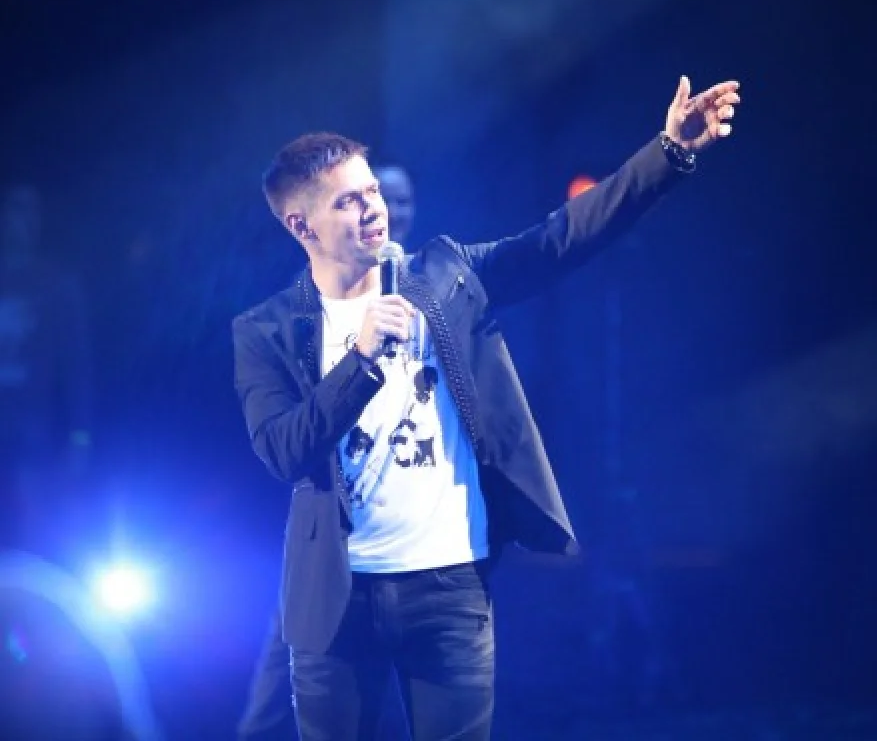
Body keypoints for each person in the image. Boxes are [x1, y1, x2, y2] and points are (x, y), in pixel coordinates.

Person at [230, 74, 740, 740]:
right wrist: (359, 359)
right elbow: (283, 450)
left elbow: (559, 239)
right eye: (348, 202)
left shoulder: (445, 275)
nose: (373, 209)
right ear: (301, 225)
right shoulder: (267, 330)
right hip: (336, 598)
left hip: (448, 586)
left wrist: (668, 152)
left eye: (372, 191)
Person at [236, 165, 419, 740]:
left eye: (395, 199)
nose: (385, 210)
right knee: (283, 680)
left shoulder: (430, 292)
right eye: (359, 198)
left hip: (411, 552)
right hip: (328, 537)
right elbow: (287, 435)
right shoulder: (306, 306)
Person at [0, 184, 92, 554]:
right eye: (12, 210)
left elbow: (76, 365)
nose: (19, 221)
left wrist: (80, 436)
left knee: (33, 530)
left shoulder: (55, 286)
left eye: (28, 212)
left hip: (35, 434)